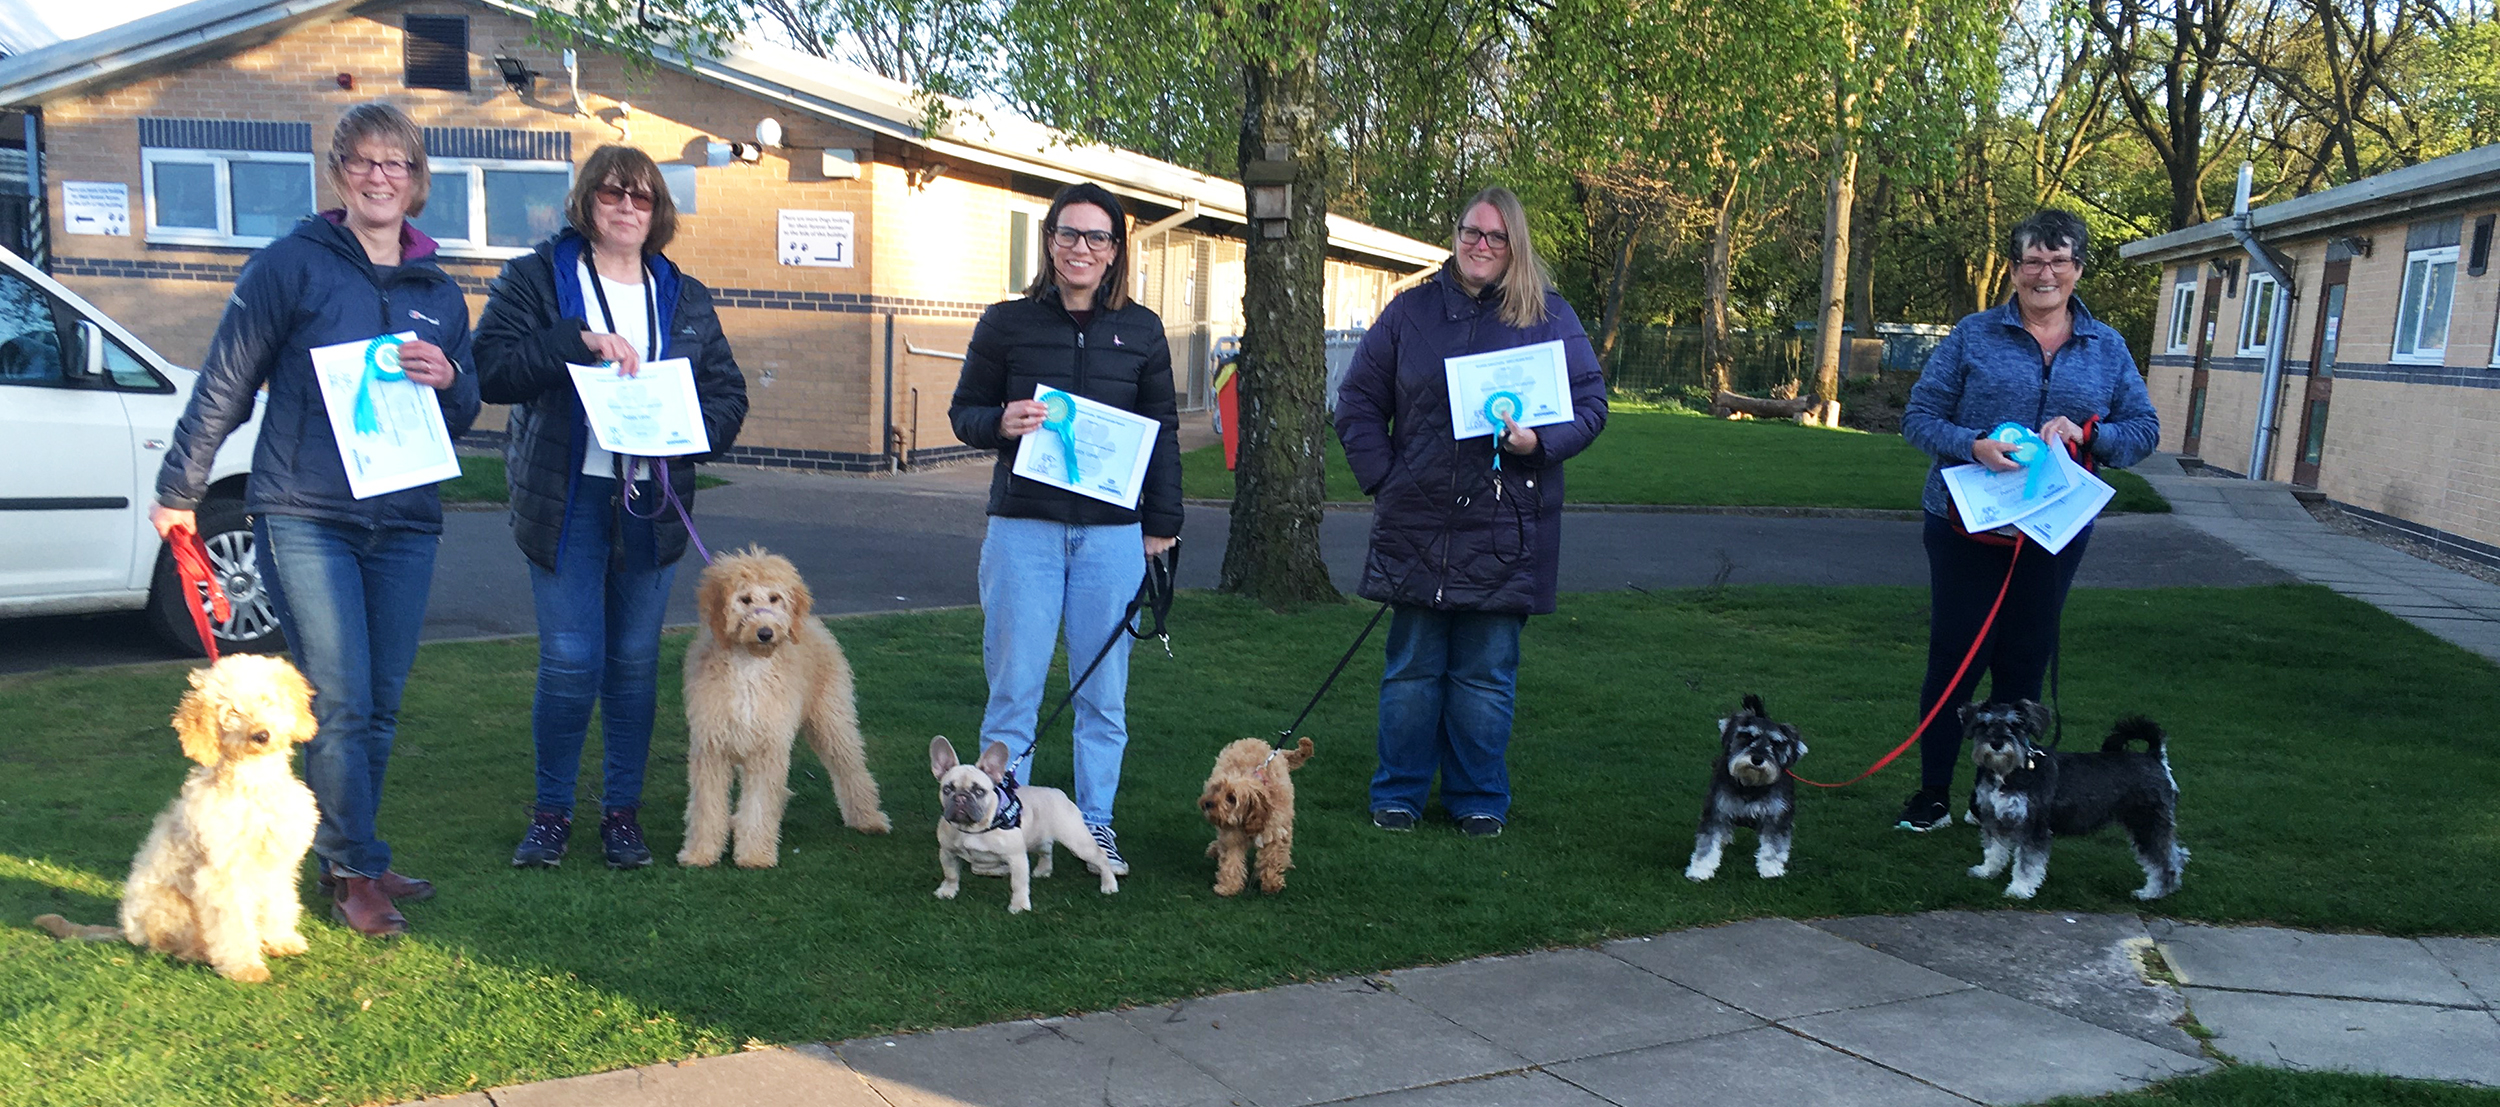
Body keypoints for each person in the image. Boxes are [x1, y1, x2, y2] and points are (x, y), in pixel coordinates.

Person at [150, 102, 480, 936]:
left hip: (404, 519)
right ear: (339, 172)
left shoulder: (439, 289)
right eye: (363, 162)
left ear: (417, 181)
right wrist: (180, 484)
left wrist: (450, 377)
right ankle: (352, 869)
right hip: (307, 511)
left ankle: (354, 844)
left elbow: (467, 408)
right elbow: (225, 380)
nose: (379, 177)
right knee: (339, 698)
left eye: (395, 165)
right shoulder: (289, 266)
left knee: (383, 701)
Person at [475, 145, 749, 869]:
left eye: (642, 197)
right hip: (567, 498)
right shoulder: (537, 277)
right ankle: (551, 814)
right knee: (570, 661)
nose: (627, 208)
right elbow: (492, 369)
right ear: (586, 203)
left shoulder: (682, 293)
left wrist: (689, 432)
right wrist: (576, 342)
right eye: (611, 195)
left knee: (631, 663)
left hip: (650, 499)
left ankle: (622, 815)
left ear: (657, 211)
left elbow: (727, 392)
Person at [1334, 185, 1609, 838]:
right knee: (1412, 669)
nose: (1479, 246)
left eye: (1494, 236)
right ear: (1454, 236)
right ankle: (1397, 792)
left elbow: (1591, 404)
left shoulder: (1549, 317)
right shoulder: (1409, 314)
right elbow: (1356, 404)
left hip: (1506, 527)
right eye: (1469, 232)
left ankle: (1477, 796)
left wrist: (1538, 443)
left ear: (1515, 245)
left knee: (1485, 676)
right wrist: (1387, 480)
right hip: (1418, 522)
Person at [1895, 208, 2160, 831]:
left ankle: (2004, 797)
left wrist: (2089, 432)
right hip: (1966, 527)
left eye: (2058, 261)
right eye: (2033, 261)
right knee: (1956, 658)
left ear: (2077, 269)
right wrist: (1974, 445)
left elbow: (2143, 431)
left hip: (2053, 533)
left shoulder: (2107, 346)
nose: (2046, 274)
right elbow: (1919, 418)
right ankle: (1934, 794)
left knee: (2023, 661)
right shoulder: (1973, 335)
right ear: (2013, 270)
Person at [947, 181, 1181, 875]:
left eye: (1097, 238)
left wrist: (1161, 523)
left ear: (1115, 251)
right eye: (1068, 234)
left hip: (1113, 535)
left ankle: (1095, 823)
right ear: (1050, 242)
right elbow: (966, 412)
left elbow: (1163, 432)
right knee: (1014, 685)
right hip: (1025, 530)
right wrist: (1001, 422)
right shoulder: (1006, 323)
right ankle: (999, 820)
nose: (1081, 248)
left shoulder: (1141, 330)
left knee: (1102, 692)